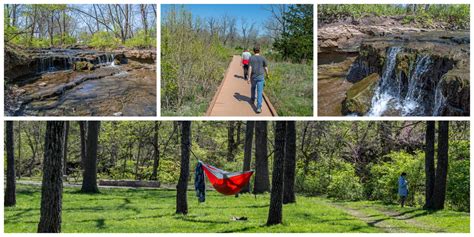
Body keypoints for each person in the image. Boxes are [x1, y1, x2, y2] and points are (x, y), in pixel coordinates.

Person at [247, 46, 268, 114]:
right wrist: (267, 74)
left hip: (253, 77)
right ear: (260, 50)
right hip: (261, 77)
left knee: (253, 87)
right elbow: (265, 67)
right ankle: (258, 107)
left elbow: (250, 68)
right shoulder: (263, 58)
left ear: (253, 51)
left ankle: (252, 99)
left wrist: (248, 77)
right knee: (259, 91)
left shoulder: (251, 58)